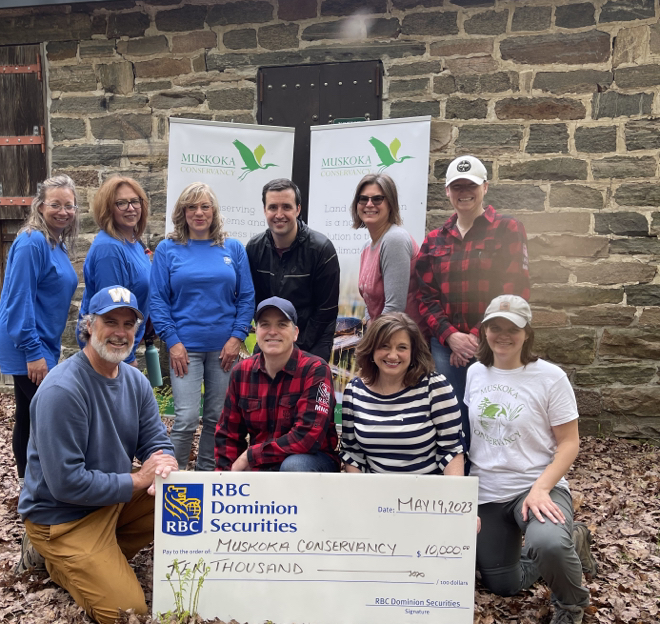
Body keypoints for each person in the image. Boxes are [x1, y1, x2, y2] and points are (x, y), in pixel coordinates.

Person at [16, 286, 178, 624]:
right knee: (127, 614)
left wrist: (163, 461)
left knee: (181, 494)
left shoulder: (135, 381)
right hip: (63, 518)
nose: (120, 333)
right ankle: (57, 563)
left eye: (128, 324)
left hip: (110, 503)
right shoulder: (63, 390)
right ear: (89, 325)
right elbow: (66, 484)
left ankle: (100, 558)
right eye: (110, 322)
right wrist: (137, 479)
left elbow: (156, 440)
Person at [464, 295, 597, 624]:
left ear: (527, 334)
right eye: (495, 327)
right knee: (503, 585)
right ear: (484, 330)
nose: (503, 335)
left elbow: (569, 443)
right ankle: (577, 538)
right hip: (488, 492)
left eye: (513, 329)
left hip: (535, 487)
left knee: (547, 543)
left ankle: (571, 605)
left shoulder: (550, 378)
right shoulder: (475, 372)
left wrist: (541, 488)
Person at [416, 155, 530, 447]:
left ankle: (492, 478)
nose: (463, 192)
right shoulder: (434, 240)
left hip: (496, 340)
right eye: (456, 186)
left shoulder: (508, 229)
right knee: (452, 415)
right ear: (447, 191)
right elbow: (425, 295)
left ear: (485, 187)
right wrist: (451, 336)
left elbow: (514, 289)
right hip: (447, 346)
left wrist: (478, 337)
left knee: (494, 414)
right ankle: (460, 477)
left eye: (471, 185)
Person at [149, 182, 254, 472]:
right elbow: (157, 300)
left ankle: (206, 474)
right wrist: (173, 342)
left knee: (217, 417)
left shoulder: (231, 248)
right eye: (191, 207)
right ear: (182, 212)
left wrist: (237, 338)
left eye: (204, 206)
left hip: (224, 349)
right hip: (185, 349)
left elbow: (246, 297)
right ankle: (175, 476)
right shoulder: (168, 249)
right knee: (183, 419)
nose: (198, 213)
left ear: (214, 211)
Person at [0, 175, 79, 482]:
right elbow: (19, 300)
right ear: (40, 206)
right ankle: (38, 487)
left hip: (43, 340)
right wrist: (33, 352)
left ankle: (29, 486)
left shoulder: (56, 243)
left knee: (31, 415)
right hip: (25, 341)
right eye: (55, 204)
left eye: (69, 205)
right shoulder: (32, 242)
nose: (63, 211)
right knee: (48, 415)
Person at [215, 297, 340, 473]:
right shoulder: (241, 372)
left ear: (295, 332)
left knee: (294, 465)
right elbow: (228, 434)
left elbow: (307, 437)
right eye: (265, 324)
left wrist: (250, 456)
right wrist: (225, 479)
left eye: (282, 325)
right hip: (260, 465)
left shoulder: (315, 370)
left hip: (310, 462)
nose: (272, 331)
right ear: (256, 331)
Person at [341, 313, 464, 476]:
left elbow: (452, 450)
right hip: (375, 493)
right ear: (371, 349)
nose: (392, 355)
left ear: (414, 351)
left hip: (426, 495)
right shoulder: (354, 391)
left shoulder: (434, 386)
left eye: (402, 347)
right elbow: (352, 453)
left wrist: (451, 499)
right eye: (384, 346)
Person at [246, 178, 340, 362]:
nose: (279, 214)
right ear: (265, 210)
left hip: (313, 340)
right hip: (272, 337)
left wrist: (293, 347)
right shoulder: (254, 249)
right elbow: (252, 301)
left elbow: (325, 311)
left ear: (298, 209)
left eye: (286, 207)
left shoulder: (321, 249)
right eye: (273, 207)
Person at [76, 175, 152, 365]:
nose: (131, 208)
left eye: (135, 201)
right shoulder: (109, 249)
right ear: (108, 208)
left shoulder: (132, 241)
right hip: (110, 352)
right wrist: (127, 359)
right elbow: (112, 312)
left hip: (122, 348)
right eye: (121, 203)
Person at [351, 172, 423, 327]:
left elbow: (394, 309)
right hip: (381, 337)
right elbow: (369, 302)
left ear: (390, 204)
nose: (369, 204)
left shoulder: (394, 239)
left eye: (377, 199)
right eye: (363, 199)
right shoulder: (366, 247)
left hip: (403, 342)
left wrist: (371, 341)